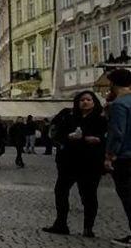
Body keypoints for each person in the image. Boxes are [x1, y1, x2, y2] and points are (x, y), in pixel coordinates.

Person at [42, 91, 106, 238]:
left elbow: (108, 136)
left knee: (88, 195)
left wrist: (99, 140)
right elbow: (56, 134)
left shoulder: (101, 119)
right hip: (68, 161)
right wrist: (67, 137)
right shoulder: (68, 116)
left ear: (94, 102)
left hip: (90, 162)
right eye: (82, 100)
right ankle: (61, 223)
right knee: (61, 191)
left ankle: (88, 228)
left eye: (88, 99)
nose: (85, 102)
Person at [104, 68, 131, 247]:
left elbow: (117, 133)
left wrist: (109, 156)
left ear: (113, 84)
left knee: (128, 196)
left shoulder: (119, 104)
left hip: (125, 157)